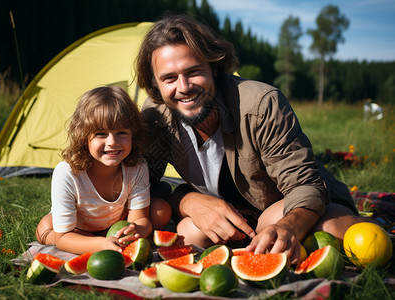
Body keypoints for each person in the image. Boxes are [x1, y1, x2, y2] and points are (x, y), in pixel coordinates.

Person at [136, 14, 364, 263]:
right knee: (187, 234)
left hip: (288, 208)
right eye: (169, 78)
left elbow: (305, 187)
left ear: (214, 67)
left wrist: (289, 228)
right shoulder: (157, 117)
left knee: (324, 230)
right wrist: (187, 201)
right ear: (156, 85)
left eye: (193, 72)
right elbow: (140, 185)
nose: (184, 87)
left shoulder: (261, 104)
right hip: (235, 220)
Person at [35, 86, 171, 254]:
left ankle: (99, 238)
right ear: (83, 136)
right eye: (101, 134)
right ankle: (91, 239)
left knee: (161, 210)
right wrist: (100, 244)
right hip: (79, 227)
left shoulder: (137, 166)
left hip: (117, 223)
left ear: (133, 134)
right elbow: (63, 237)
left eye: (121, 132)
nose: (112, 142)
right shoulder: (67, 173)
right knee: (46, 229)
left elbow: (140, 217)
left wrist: (137, 229)